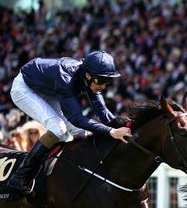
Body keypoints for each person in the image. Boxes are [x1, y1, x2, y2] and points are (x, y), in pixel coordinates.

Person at [8, 51, 132, 194]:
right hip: (25, 88)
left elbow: (102, 111)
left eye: (107, 81)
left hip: (47, 89)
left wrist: (122, 127)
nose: (103, 86)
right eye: (100, 80)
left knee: (80, 132)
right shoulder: (66, 78)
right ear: (88, 75)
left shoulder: (89, 76)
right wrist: (111, 131)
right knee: (58, 128)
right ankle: (20, 176)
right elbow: (76, 118)